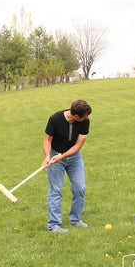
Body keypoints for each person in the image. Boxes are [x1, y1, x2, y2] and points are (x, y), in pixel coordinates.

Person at [42, 99, 92, 233]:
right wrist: (48, 156)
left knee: (79, 187)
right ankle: (53, 226)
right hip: (54, 154)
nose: (87, 118)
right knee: (55, 190)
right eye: (85, 116)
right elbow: (47, 140)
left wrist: (62, 157)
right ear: (76, 116)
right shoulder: (55, 119)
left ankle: (75, 220)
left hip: (74, 157)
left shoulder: (85, 121)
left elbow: (77, 146)